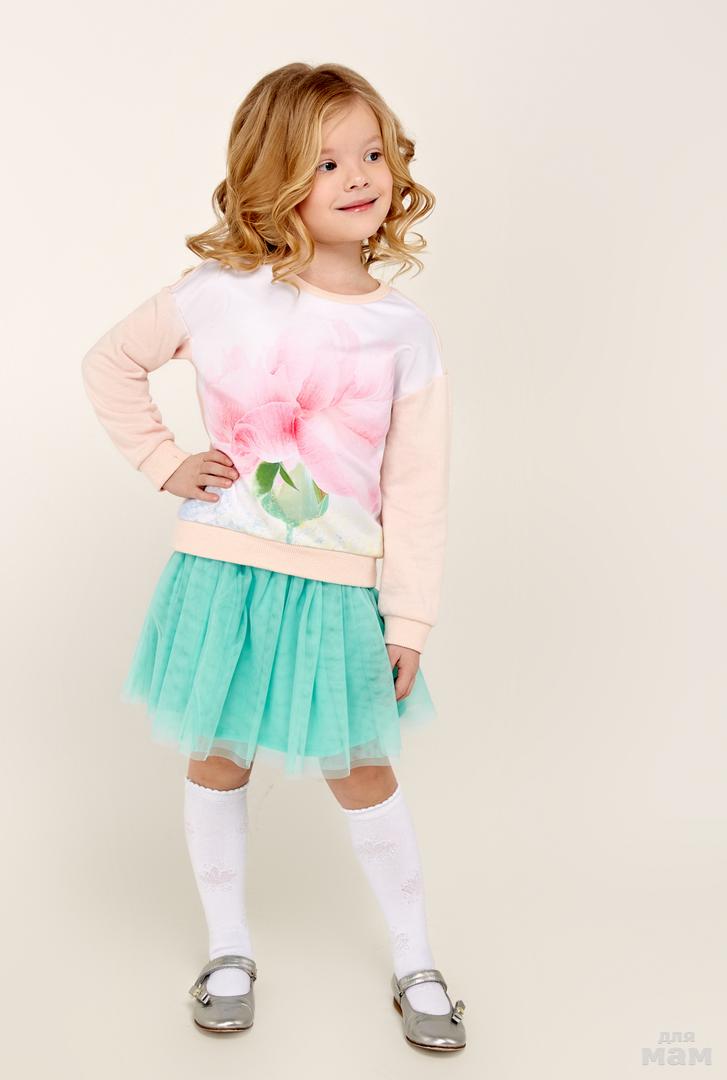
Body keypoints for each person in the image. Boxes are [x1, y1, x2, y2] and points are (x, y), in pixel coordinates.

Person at [81, 62, 466, 1051]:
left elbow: (417, 489)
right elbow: (111, 362)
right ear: (273, 176)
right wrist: (165, 461)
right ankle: (227, 949)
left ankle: (416, 957)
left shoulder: (403, 333)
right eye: (326, 160)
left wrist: (409, 616)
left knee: (362, 769)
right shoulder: (221, 295)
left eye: (371, 153)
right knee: (218, 757)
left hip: (336, 594)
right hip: (223, 577)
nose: (358, 175)